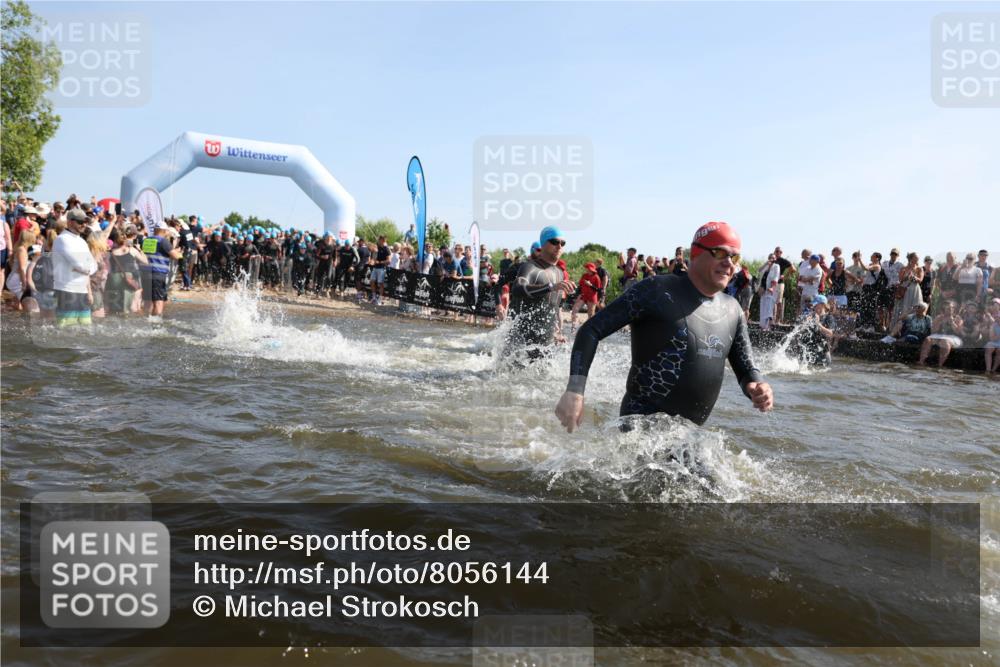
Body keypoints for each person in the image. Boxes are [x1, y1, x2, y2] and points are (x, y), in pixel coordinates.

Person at [555, 221, 773, 432]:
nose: (729, 263)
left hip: (689, 436)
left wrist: (756, 385)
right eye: (720, 253)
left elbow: (746, 369)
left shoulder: (732, 310)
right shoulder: (656, 291)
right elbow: (591, 330)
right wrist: (575, 391)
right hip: (639, 432)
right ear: (695, 254)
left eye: (735, 257)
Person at [504, 227, 575, 361]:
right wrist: (550, 286)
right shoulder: (530, 267)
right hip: (520, 344)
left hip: (544, 344)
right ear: (543, 244)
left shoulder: (559, 272)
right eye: (554, 242)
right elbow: (518, 288)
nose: (559, 246)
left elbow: (552, 307)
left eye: (562, 243)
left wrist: (556, 331)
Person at [52, 208, 98, 326]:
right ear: (70, 222)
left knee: (86, 329)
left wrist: (89, 292)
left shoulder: (81, 241)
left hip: (82, 291)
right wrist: (85, 268)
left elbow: (92, 267)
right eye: (80, 222)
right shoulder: (62, 239)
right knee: (66, 330)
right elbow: (81, 265)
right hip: (66, 290)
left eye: (85, 222)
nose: (84, 224)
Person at [141, 220, 183, 319]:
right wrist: (180, 254)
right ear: (163, 231)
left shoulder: (146, 240)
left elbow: (155, 252)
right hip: (158, 274)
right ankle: (156, 324)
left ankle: (146, 321)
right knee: (158, 302)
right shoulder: (163, 241)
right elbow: (176, 256)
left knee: (148, 301)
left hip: (146, 274)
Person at [105, 229, 147, 315]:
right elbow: (145, 262)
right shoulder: (132, 250)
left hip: (114, 279)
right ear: (125, 239)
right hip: (129, 278)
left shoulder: (110, 253)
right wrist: (140, 250)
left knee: (115, 306)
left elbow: (108, 269)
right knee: (132, 306)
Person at [918, 300, 963, 367]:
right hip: (939, 335)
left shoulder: (958, 318)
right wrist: (940, 322)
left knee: (945, 342)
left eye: (951, 308)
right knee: (928, 339)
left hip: (953, 337)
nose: (949, 310)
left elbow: (958, 332)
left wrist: (952, 323)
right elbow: (933, 331)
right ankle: (921, 361)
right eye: (947, 308)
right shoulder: (939, 317)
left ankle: (940, 364)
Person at [891, 252, 925, 333]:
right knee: (904, 308)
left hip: (915, 290)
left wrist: (914, 278)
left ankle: (913, 329)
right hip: (905, 290)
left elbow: (920, 280)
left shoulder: (919, 269)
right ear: (911, 258)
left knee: (915, 308)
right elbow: (900, 280)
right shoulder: (904, 268)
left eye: (918, 258)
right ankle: (899, 330)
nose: (917, 259)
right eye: (916, 257)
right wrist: (906, 277)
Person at [570, 262, 602, 329]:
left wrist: (591, 285)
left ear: (592, 270)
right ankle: (574, 326)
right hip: (583, 295)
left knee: (590, 314)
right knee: (574, 309)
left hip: (592, 297)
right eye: (586, 269)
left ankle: (590, 329)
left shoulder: (596, 277)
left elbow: (599, 290)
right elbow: (580, 286)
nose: (587, 270)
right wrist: (577, 294)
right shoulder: (584, 275)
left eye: (588, 269)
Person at [758, 253, 781, 330]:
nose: (772, 259)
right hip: (763, 289)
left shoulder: (776, 266)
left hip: (771, 289)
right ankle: (763, 325)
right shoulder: (766, 266)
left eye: (773, 258)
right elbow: (759, 270)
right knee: (763, 307)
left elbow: (776, 277)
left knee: (769, 307)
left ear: (775, 259)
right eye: (770, 257)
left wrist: (772, 287)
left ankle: (769, 324)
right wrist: (765, 264)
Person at [772, 246, 792, 324]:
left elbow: (793, 269)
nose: (777, 253)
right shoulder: (772, 260)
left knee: (779, 302)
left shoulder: (783, 261)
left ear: (781, 253)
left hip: (780, 283)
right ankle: (772, 319)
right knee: (772, 301)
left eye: (779, 252)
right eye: (776, 251)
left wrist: (785, 276)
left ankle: (778, 320)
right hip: (772, 283)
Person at [985, 300, 1000, 376]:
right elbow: (992, 338)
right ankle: (988, 369)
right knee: (989, 347)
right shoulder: (994, 325)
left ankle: (994, 369)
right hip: (995, 341)